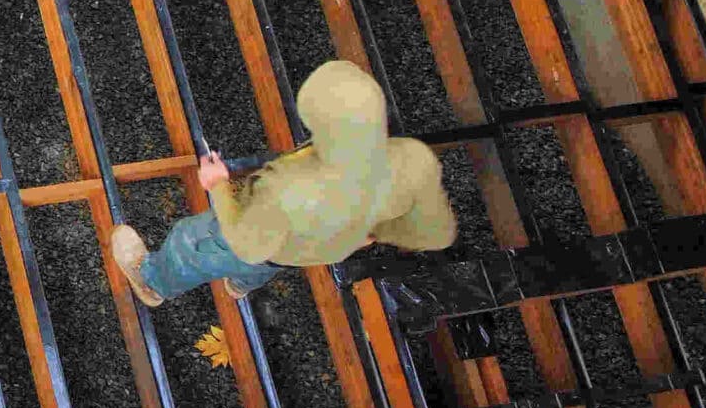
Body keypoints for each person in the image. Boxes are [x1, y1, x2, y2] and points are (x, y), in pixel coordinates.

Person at [109, 59, 455, 306]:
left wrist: (216, 184)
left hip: (260, 240)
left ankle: (154, 282)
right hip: (298, 252)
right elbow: (429, 233)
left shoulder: (294, 192)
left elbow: (247, 239)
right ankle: (241, 285)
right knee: (266, 265)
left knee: (192, 241)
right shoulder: (406, 167)